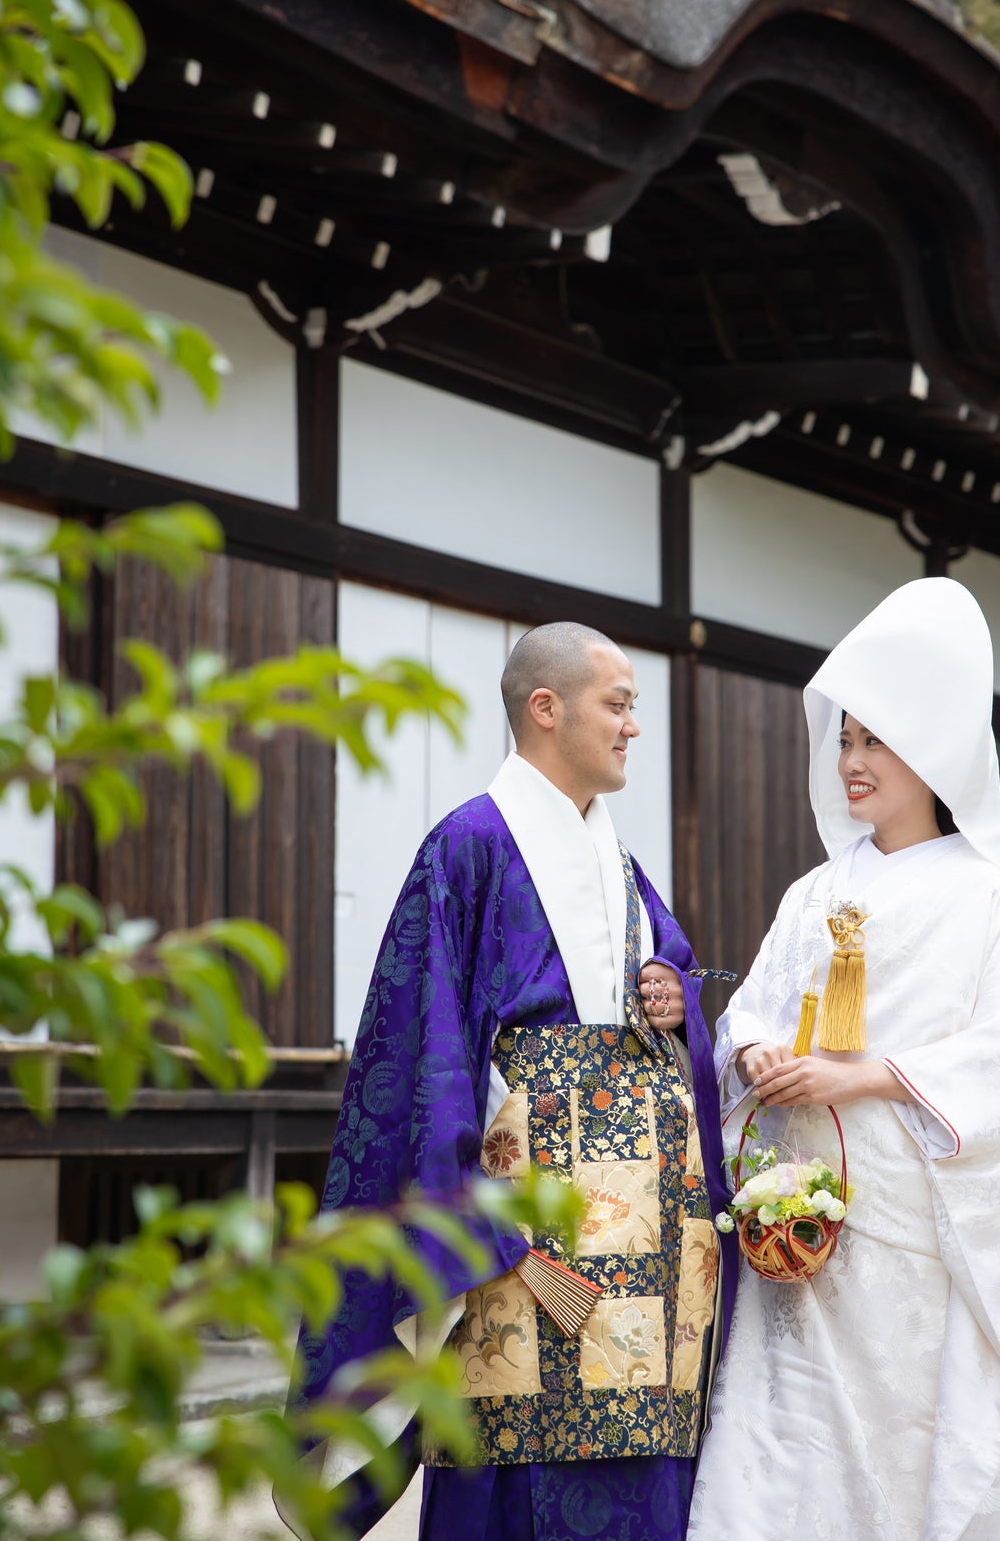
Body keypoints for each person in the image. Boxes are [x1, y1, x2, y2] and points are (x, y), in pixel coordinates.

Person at [293, 621, 736, 1541]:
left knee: (645, 1450)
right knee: (510, 1439)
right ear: (546, 708)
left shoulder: (619, 863)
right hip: (526, 1236)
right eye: (617, 704)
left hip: (646, 1237)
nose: (632, 728)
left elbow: (674, 970)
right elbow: (421, 1053)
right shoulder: (465, 849)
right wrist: (472, 1221)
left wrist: (672, 996)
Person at [688, 578, 1000, 1541]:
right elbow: (748, 1017)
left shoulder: (983, 899)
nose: (851, 760)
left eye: (876, 740)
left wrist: (864, 1074)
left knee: (900, 1437)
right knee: (782, 1432)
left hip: (907, 1221)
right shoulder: (815, 889)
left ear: (934, 751)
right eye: (846, 738)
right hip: (798, 1214)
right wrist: (758, 1052)